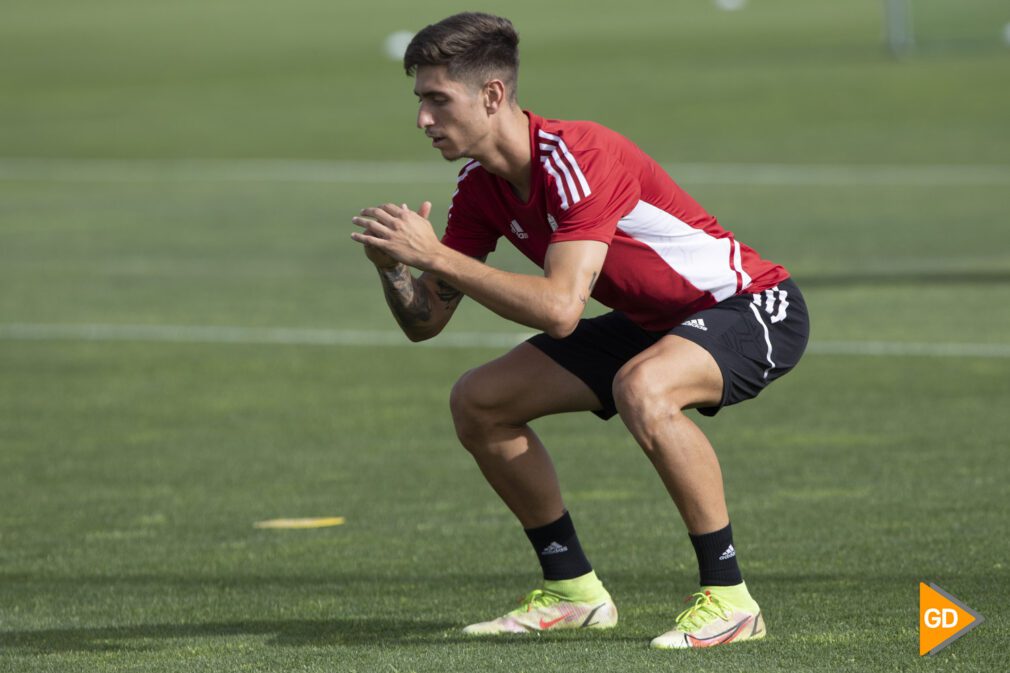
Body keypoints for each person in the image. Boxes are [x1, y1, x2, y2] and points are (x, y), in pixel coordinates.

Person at [350, 12, 809, 649]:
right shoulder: (480, 187)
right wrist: (394, 270)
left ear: (491, 96)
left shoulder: (578, 156)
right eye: (420, 100)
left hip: (753, 305)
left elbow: (563, 310)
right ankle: (571, 590)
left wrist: (434, 256)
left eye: (437, 99)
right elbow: (427, 321)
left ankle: (731, 600)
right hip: (652, 322)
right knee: (479, 402)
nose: (423, 119)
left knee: (643, 388)